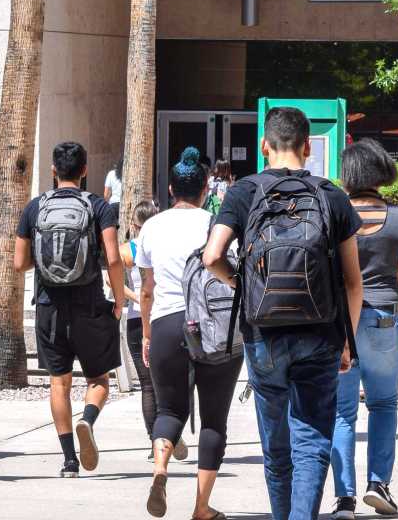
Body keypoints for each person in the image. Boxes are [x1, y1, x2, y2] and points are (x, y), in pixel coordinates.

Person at [202, 107, 363, 520]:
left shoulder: (244, 192)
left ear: (264, 145)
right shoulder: (331, 195)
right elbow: (352, 281)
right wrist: (348, 341)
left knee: (276, 447)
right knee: (311, 442)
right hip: (321, 332)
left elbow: (212, 256)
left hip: (263, 334)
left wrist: (242, 284)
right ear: (308, 147)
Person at [328, 140, 398, 519]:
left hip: (341, 324)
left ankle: (344, 499)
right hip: (384, 320)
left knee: (342, 413)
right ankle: (378, 484)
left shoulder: (334, 215)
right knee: (384, 404)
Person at [137, 147, 242, 520]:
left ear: (170, 189)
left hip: (166, 324)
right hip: (213, 327)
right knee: (213, 419)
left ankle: (160, 467)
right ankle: (201, 506)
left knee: (169, 409)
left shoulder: (152, 226)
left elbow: (147, 290)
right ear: (205, 190)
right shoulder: (216, 224)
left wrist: (146, 334)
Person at [12, 141, 126, 478]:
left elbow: (19, 263)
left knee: (59, 384)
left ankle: (69, 461)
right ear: (85, 170)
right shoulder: (98, 206)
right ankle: (87, 420)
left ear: (53, 170)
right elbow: (114, 258)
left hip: (49, 307)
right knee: (99, 379)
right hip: (90, 304)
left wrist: (44, 262)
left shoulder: (34, 208)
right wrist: (119, 301)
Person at [122, 198, 182, 458]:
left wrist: (135, 298)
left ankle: (154, 441)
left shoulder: (128, 250)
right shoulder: (166, 244)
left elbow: (113, 282)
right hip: (164, 316)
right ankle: (169, 431)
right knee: (167, 382)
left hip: (138, 320)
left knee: (147, 385)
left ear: (134, 224)